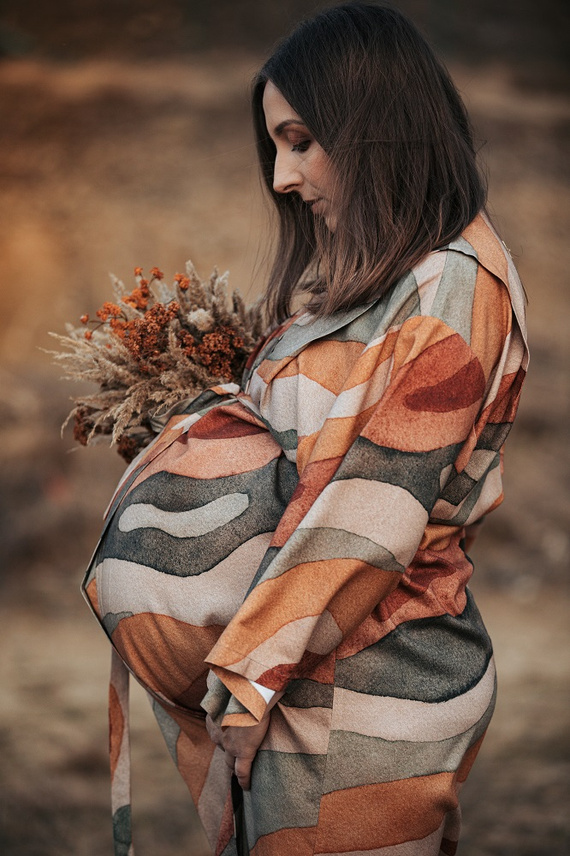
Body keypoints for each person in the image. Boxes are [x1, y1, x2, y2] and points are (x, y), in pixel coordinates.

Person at [81, 4, 529, 855]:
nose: (282, 178)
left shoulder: (453, 287)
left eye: (299, 140)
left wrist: (249, 684)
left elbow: (370, 509)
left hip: (355, 694)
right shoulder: (385, 281)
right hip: (310, 681)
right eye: (276, 147)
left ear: (374, 127)